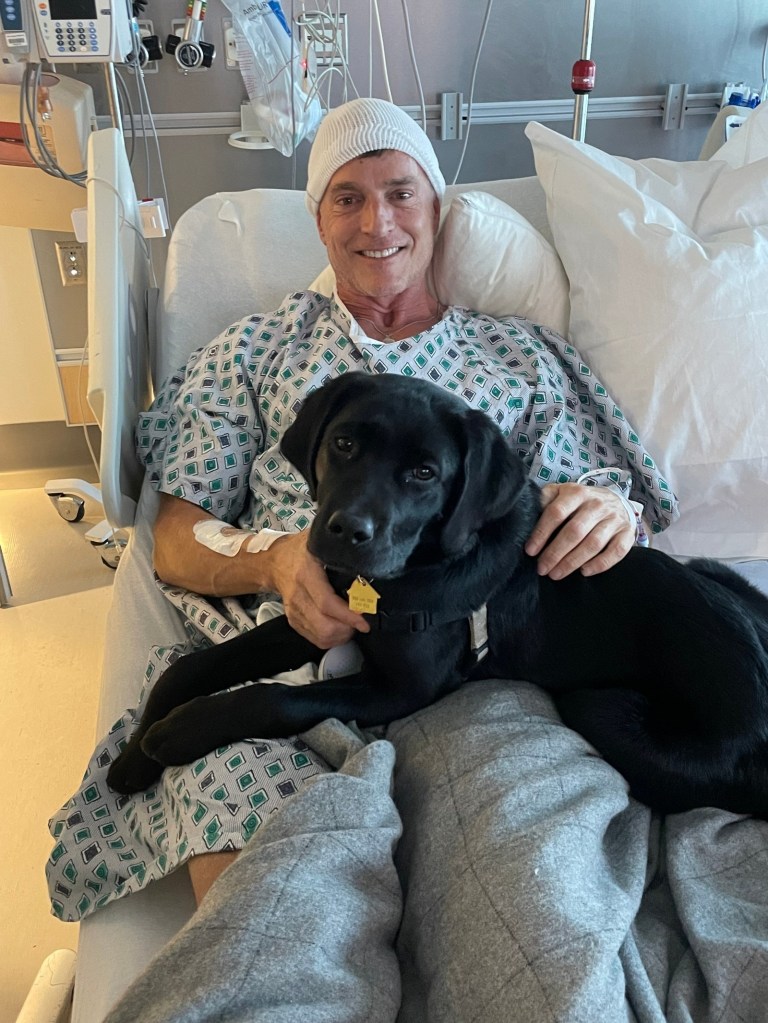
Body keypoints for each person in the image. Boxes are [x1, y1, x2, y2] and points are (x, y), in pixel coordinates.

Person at [51, 100, 768, 1022]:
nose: (376, 221)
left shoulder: (521, 351)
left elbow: (627, 489)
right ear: (317, 218)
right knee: (278, 913)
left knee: (528, 896)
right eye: (346, 197)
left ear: (438, 210)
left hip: (479, 674)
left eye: (401, 193)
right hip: (284, 652)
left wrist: (605, 505)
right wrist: (273, 562)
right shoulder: (256, 348)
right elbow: (176, 536)